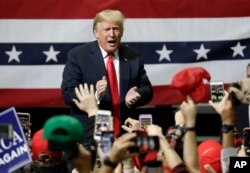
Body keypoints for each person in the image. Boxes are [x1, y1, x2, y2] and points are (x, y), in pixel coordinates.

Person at [61, 9, 153, 146]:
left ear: (121, 32)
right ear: (96, 33)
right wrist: (96, 95)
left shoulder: (133, 56)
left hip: (126, 135)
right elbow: (68, 93)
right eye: (107, 29)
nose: (112, 34)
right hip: (90, 136)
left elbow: (148, 89)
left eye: (116, 29)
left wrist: (138, 94)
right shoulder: (78, 56)